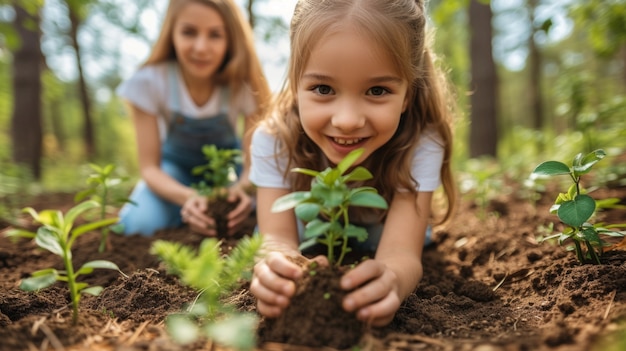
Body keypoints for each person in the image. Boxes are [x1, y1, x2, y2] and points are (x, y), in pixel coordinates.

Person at [248, 0, 457, 328]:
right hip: (306, 231)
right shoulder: (274, 140)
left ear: (407, 94)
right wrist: (276, 269)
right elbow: (276, 238)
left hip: (387, 233)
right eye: (323, 88)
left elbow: (401, 253)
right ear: (295, 80)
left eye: (377, 90)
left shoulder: (420, 142)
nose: (346, 121)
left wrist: (392, 279)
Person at [116, 0, 270, 237]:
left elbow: (252, 165)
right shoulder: (149, 82)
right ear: (172, 33)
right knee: (139, 225)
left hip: (229, 173)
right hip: (175, 174)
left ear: (231, 38)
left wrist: (242, 190)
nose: (201, 47)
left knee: (277, 209)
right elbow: (149, 168)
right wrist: (189, 197)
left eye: (215, 35)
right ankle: (186, 214)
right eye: (189, 32)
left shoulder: (243, 83)